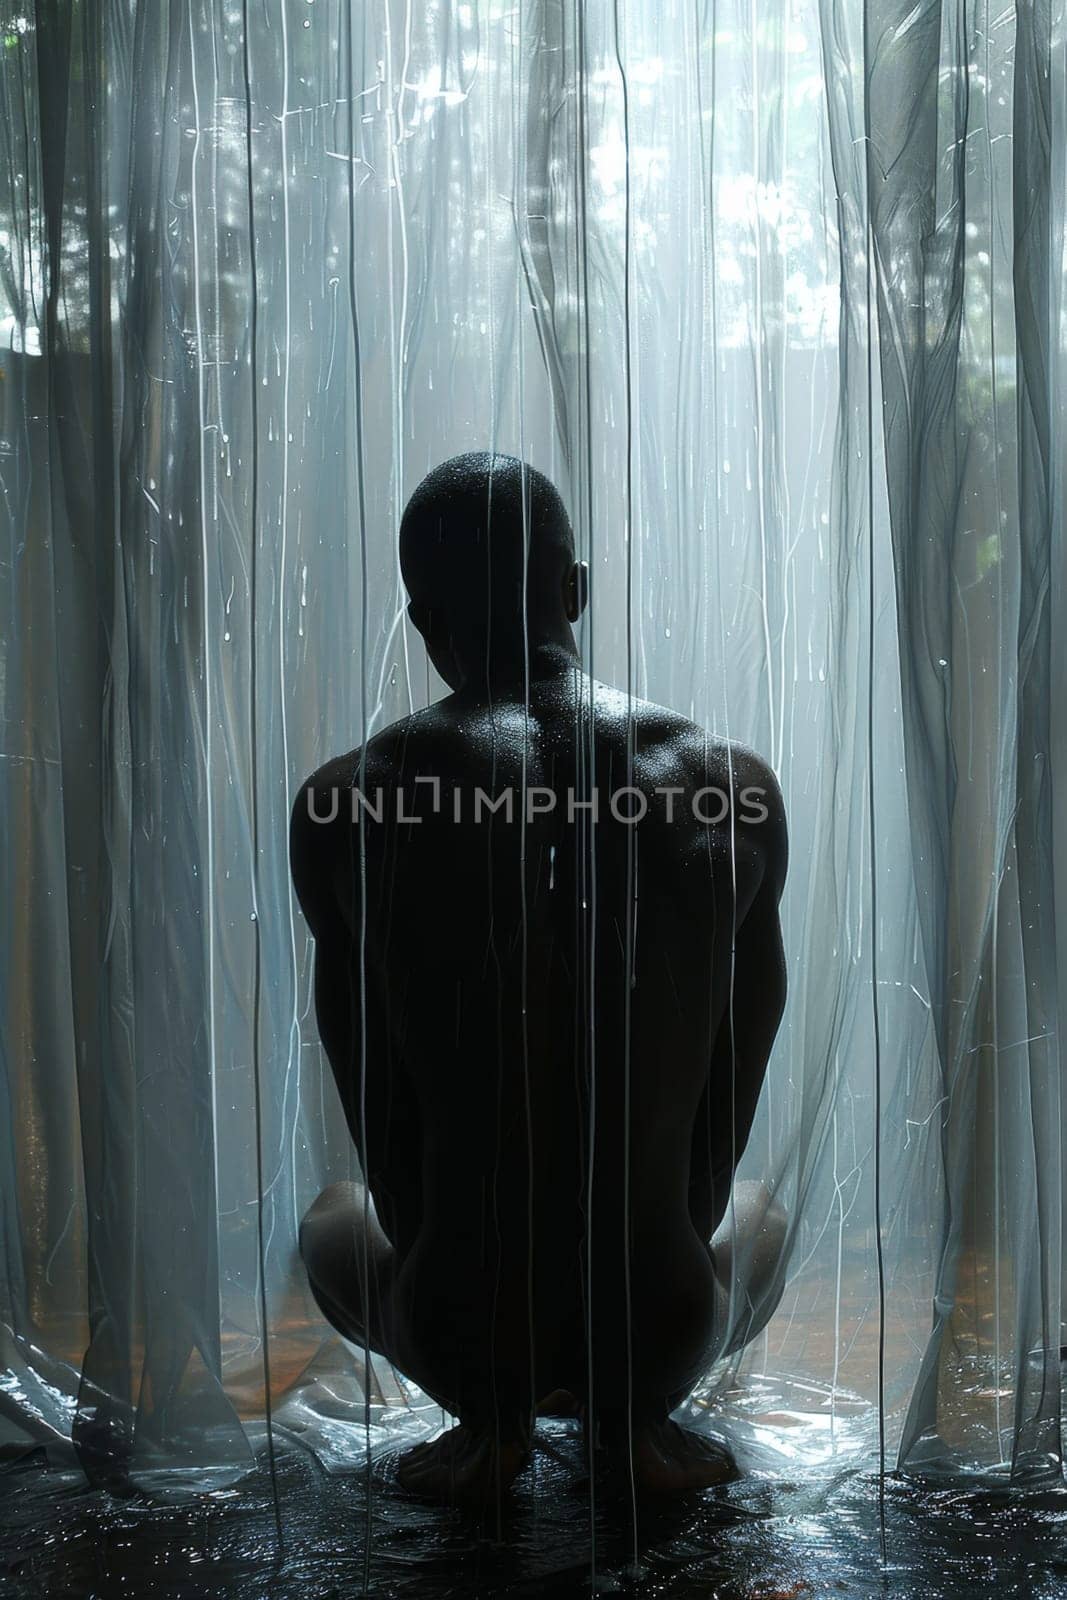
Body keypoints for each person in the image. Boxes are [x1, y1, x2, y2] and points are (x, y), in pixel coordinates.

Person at [291, 453, 788, 1505]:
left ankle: (495, 1427)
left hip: (461, 1325)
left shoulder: (348, 803)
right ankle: (627, 1425)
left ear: (424, 620)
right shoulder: (728, 788)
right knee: (758, 1210)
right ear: (574, 588)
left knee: (331, 1214)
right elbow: (721, 1114)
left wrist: (486, 1314)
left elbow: (382, 1124)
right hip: (659, 1327)